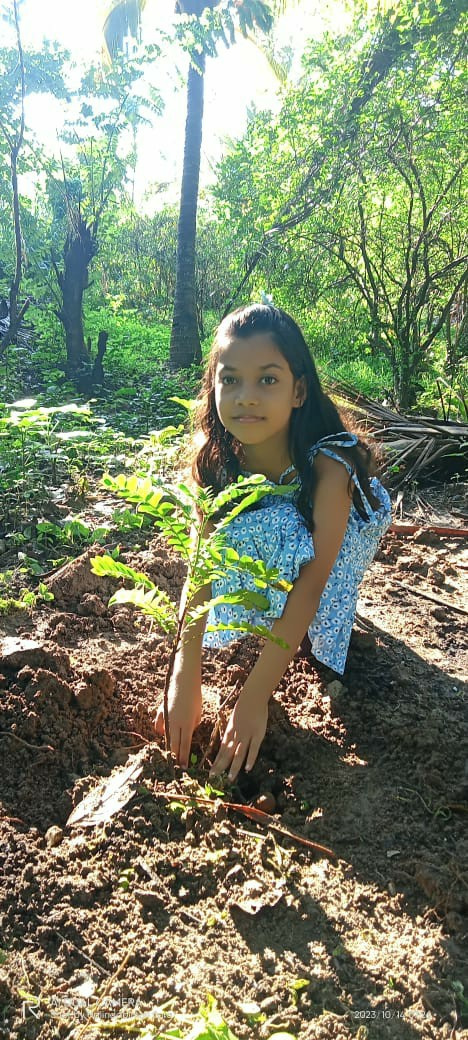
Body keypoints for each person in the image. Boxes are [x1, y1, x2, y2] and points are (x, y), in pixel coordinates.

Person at [155, 303, 391, 780]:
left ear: (298, 390)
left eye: (267, 380)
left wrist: (254, 698)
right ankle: (277, 619)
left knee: (290, 546)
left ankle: (313, 629)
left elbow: (313, 581)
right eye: (230, 380)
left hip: (347, 536)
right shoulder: (214, 464)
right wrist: (183, 676)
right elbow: (201, 569)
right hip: (285, 531)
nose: (247, 397)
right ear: (213, 387)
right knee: (242, 535)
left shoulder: (329, 468)